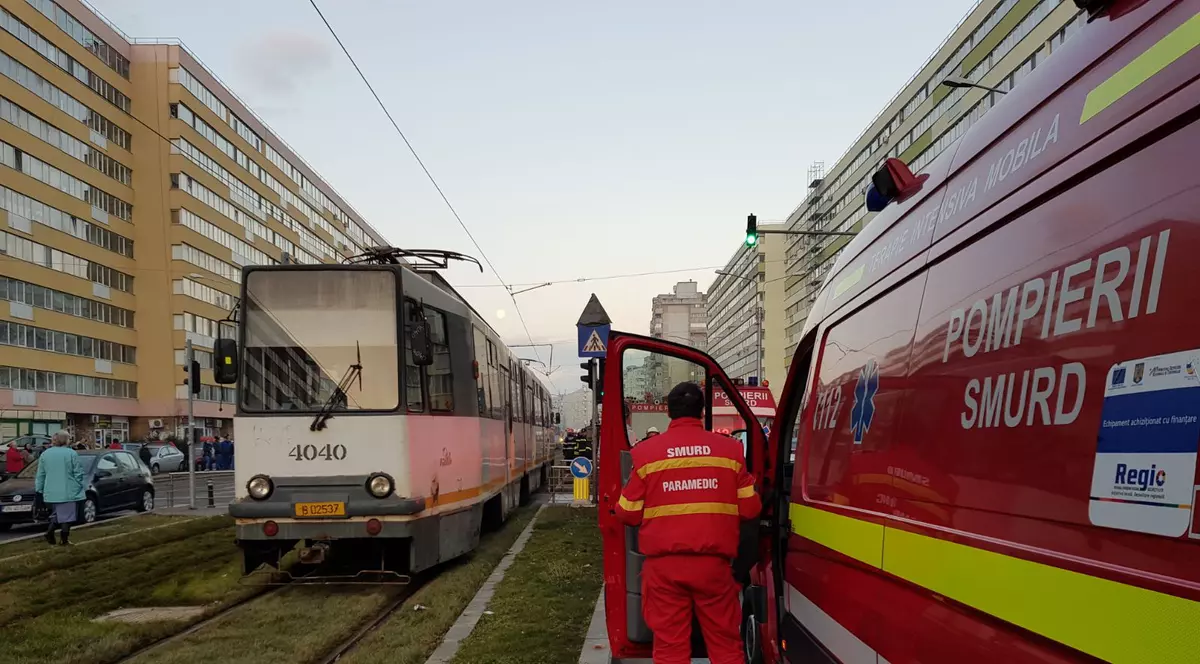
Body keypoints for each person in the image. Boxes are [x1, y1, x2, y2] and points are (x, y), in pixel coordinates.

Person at [615, 382, 761, 664]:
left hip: (664, 569)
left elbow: (627, 512)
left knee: (670, 648)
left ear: (669, 412)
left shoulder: (646, 454)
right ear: (702, 411)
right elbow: (751, 508)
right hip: (714, 568)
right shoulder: (730, 452)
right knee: (726, 646)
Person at [35, 431, 85, 546]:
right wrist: (79, 484)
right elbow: (78, 473)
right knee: (67, 516)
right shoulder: (71, 453)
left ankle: (51, 534)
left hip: (50, 491)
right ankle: (63, 539)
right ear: (66, 440)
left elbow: (40, 474)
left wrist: (39, 490)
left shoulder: (45, 454)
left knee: (59, 514)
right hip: (68, 489)